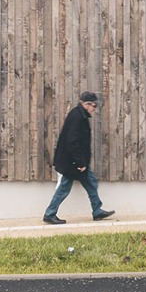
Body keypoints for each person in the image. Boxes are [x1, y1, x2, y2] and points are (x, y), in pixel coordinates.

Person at [42, 90, 114, 224]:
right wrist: (80, 163)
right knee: (64, 189)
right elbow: (72, 142)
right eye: (94, 106)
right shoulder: (77, 117)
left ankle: (97, 210)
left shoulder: (80, 115)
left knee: (91, 183)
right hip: (71, 163)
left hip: (77, 162)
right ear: (86, 104)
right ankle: (49, 214)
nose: (94, 109)